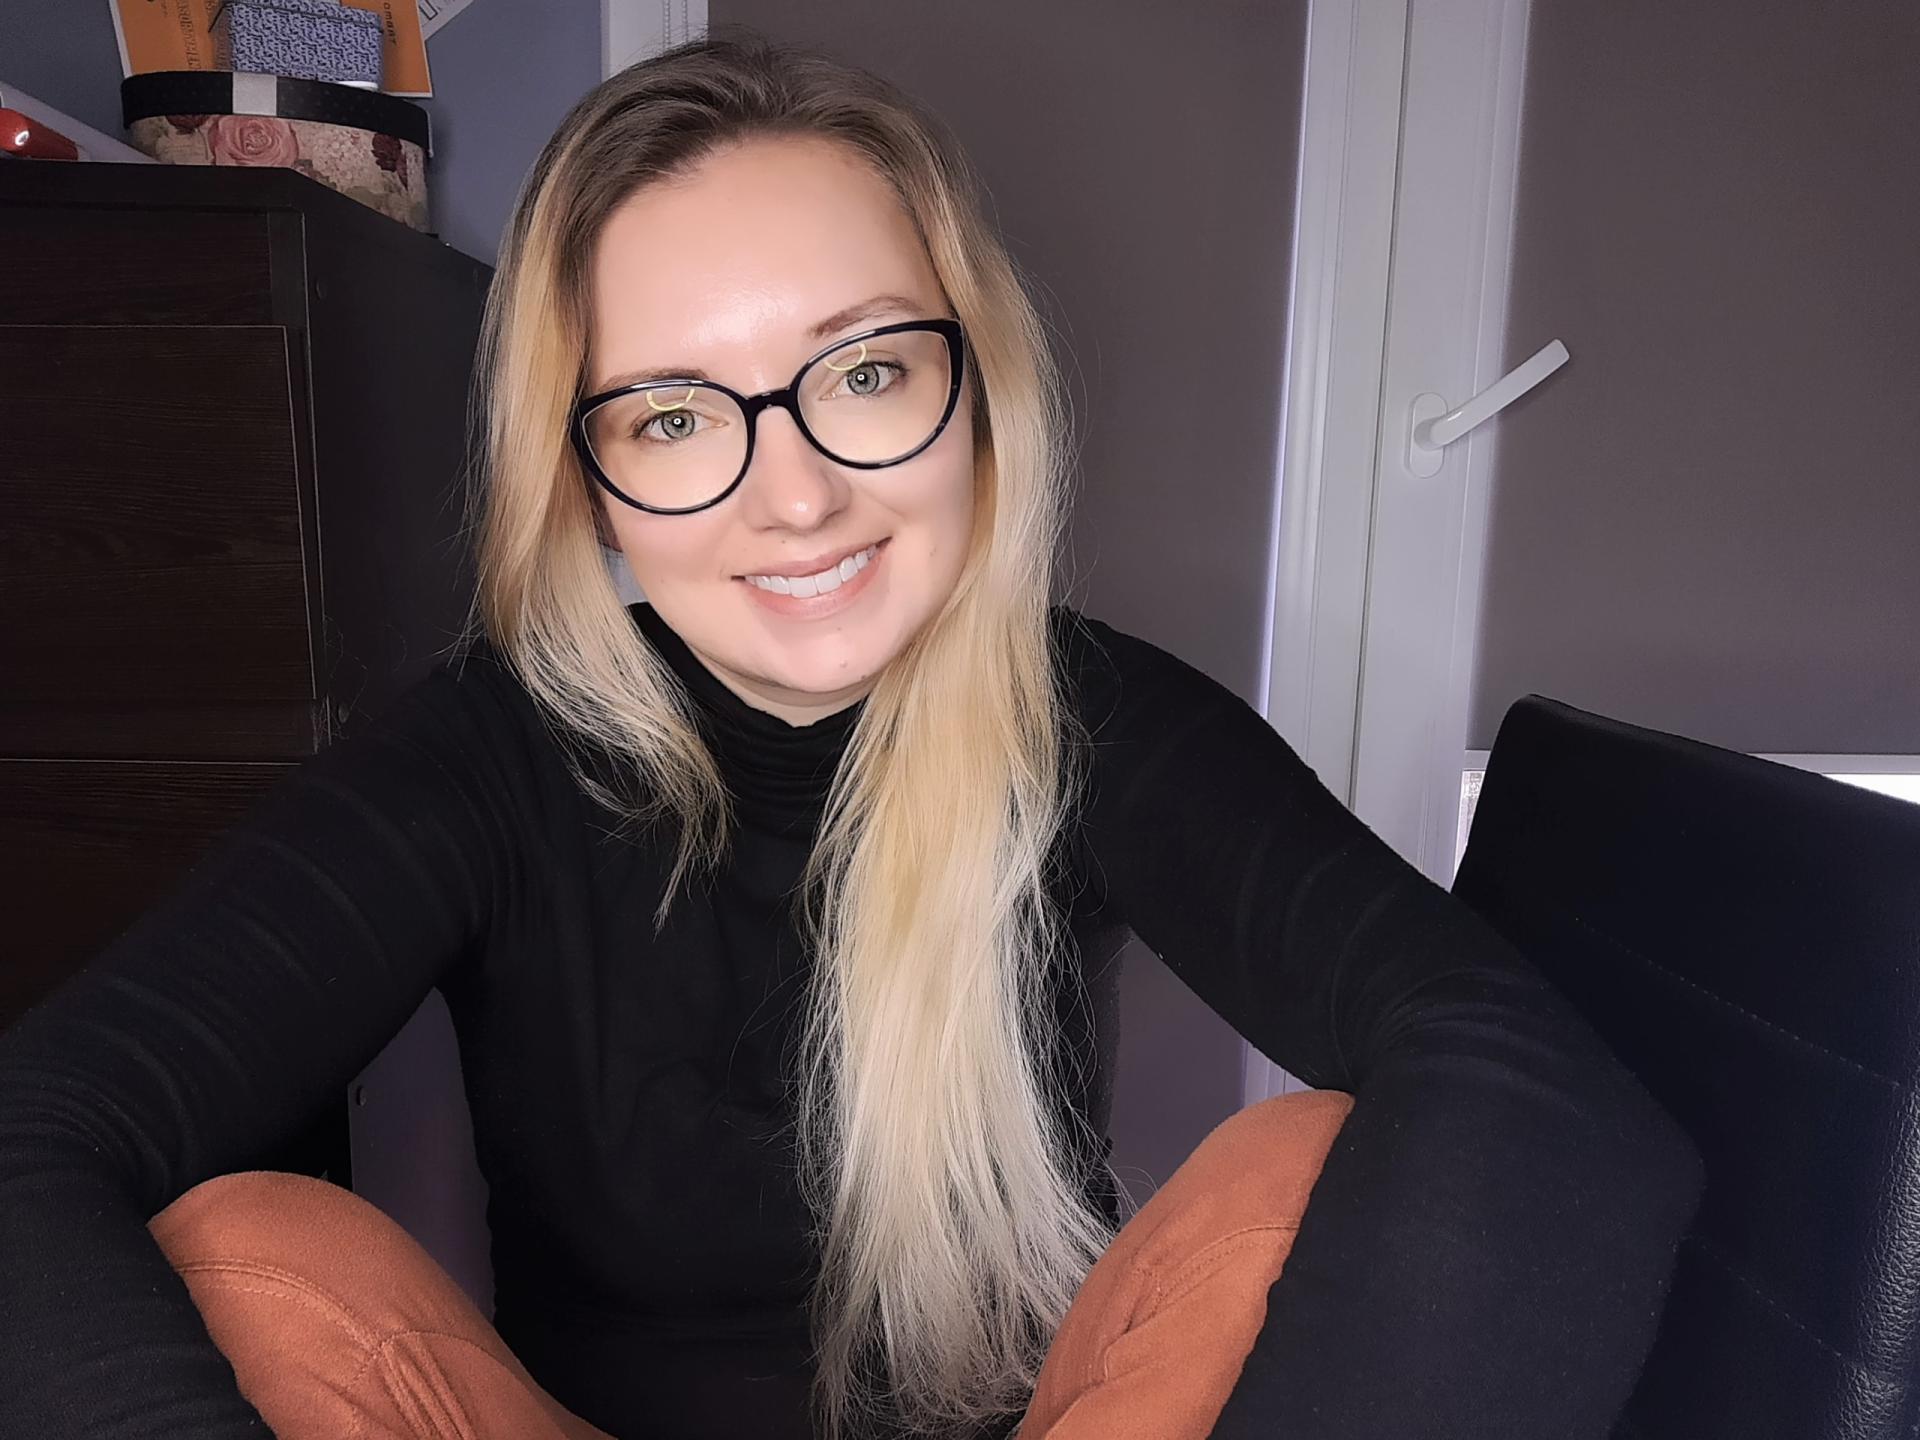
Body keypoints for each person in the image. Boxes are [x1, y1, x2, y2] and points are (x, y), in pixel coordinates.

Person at [0, 27, 1703, 1440]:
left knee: (1305, 1171)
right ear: (587, 476)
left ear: (977, 387)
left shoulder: (1087, 717)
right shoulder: (491, 754)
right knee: (247, 1253)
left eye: (868, 371)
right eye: (675, 416)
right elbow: (34, 1135)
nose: (798, 495)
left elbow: (1541, 1099)